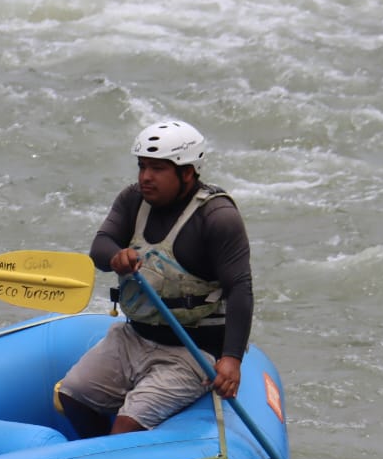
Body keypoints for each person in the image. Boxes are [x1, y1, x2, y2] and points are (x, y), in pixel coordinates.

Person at [55, 120, 253, 437]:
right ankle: (102, 456)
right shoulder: (133, 200)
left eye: (158, 169)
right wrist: (115, 257)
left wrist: (231, 359)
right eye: (142, 166)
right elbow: (100, 247)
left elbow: (240, 288)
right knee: (72, 394)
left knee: (126, 426)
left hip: (193, 351)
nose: (145, 177)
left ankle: (119, 454)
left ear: (187, 173)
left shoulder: (217, 218)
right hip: (134, 337)